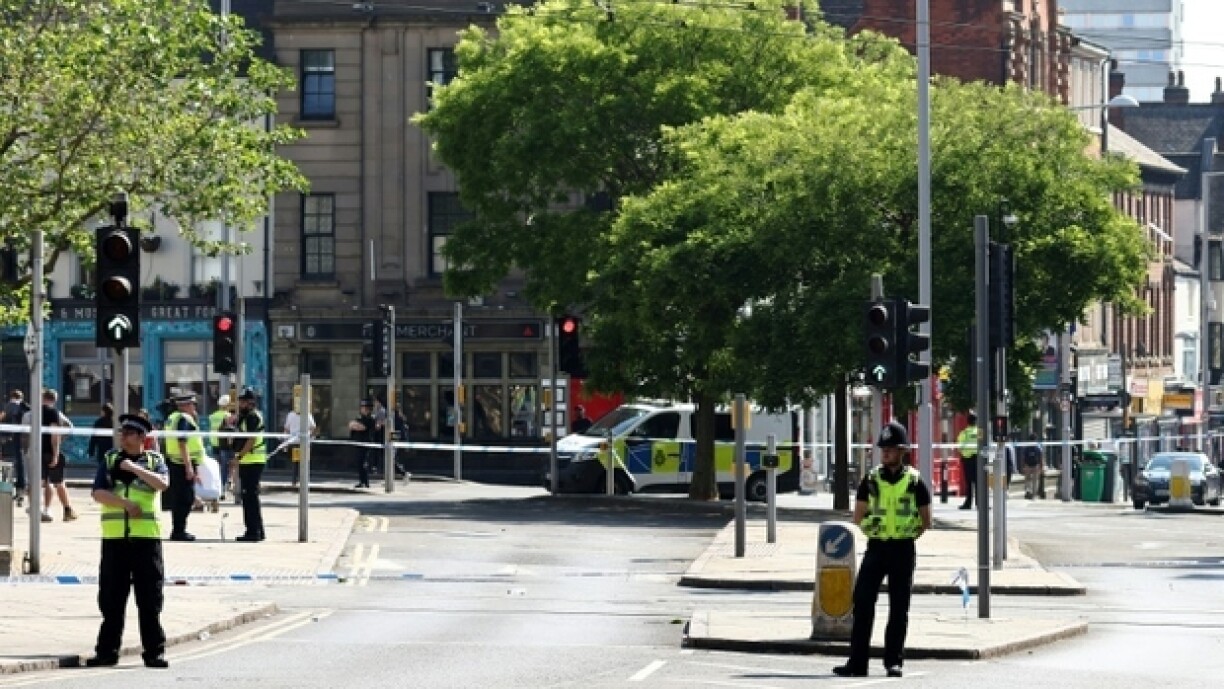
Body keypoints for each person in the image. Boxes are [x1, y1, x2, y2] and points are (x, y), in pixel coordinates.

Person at [832, 421, 932, 679]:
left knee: (899, 608)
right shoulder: (871, 479)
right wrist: (875, 532)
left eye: (890, 448)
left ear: (902, 451)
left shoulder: (914, 481)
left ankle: (893, 662)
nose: (885, 452)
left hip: (902, 549)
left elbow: (926, 520)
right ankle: (857, 663)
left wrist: (906, 535)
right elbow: (858, 515)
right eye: (883, 448)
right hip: (876, 548)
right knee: (863, 603)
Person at [85, 413, 170, 669]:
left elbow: (163, 484)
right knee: (111, 600)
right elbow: (98, 493)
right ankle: (107, 652)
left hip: (146, 539)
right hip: (115, 539)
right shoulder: (110, 459)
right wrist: (124, 504)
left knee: (149, 600)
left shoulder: (155, 460)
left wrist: (133, 468)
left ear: (142, 438)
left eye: (129, 433)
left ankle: (154, 652)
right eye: (122, 432)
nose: (123, 437)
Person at [26, 389, 78, 523]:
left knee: (36, 481)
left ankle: (34, 508)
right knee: (57, 481)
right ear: (54, 400)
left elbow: (23, 433)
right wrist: (56, 452)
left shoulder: (30, 414)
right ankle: (65, 510)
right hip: (49, 451)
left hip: (34, 450)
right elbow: (57, 434)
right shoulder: (53, 412)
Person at [163, 394, 205, 541]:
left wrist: (195, 468)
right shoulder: (183, 419)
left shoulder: (173, 417)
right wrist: (189, 467)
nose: (195, 408)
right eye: (193, 404)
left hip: (178, 462)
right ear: (186, 405)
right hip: (181, 464)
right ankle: (179, 531)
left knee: (181, 498)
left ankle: (179, 529)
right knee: (185, 499)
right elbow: (182, 442)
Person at [232, 388, 267, 542]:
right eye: (240, 401)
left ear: (251, 402)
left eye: (243, 401)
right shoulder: (245, 417)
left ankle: (253, 532)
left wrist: (239, 456)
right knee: (250, 497)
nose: (240, 403)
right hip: (248, 460)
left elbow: (251, 440)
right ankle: (258, 531)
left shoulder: (253, 416)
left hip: (253, 460)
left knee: (249, 498)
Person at [2, 389, 29, 505]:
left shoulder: (9, 406)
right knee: (22, 463)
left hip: (13, 439)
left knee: (16, 463)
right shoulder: (25, 407)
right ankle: (22, 489)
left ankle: (19, 488)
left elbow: (2, 417)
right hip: (27, 438)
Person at [208, 395, 235, 496]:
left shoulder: (212, 416)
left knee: (216, 468)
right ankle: (224, 486)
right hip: (224, 444)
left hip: (214, 443)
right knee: (226, 467)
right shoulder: (228, 416)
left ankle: (217, 487)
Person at [283, 406, 317, 487]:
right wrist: (311, 437)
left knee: (296, 462)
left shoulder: (291, 415)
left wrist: (285, 441)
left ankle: (295, 481)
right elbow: (313, 428)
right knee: (304, 462)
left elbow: (286, 429)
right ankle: (303, 481)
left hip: (294, 442)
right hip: (303, 443)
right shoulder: (307, 415)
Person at [347, 399, 378, 489]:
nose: (363, 409)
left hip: (366, 443)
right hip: (358, 443)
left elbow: (362, 427)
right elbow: (351, 425)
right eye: (362, 408)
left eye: (365, 408)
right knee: (359, 462)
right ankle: (361, 481)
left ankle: (366, 482)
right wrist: (355, 426)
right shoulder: (359, 418)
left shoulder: (370, 418)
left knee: (364, 462)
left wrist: (356, 426)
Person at [957, 411, 979, 510]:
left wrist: (965, 453)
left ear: (968, 422)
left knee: (969, 483)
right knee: (979, 482)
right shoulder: (980, 431)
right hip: (979, 460)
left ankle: (968, 503)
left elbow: (959, 446)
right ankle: (980, 503)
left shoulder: (964, 433)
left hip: (967, 460)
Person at [1023, 432, 1044, 499]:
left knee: (1027, 479)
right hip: (1035, 465)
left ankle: (1028, 491)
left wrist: (1023, 466)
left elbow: (1023, 457)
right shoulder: (1038, 446)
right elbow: (1041, 457)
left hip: (1028, 465)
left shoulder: (1026, 447)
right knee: (1035, 480)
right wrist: (1041, 466)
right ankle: (1034, 494)